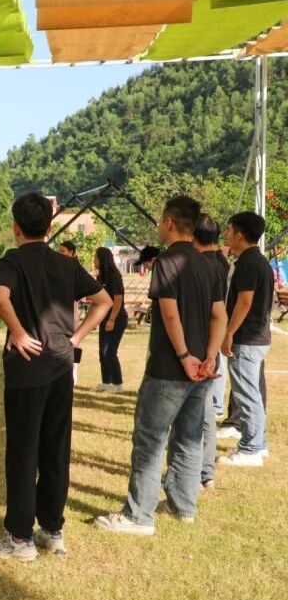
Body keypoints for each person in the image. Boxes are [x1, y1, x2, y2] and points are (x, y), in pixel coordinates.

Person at [95, 195, 226, 535]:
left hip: (170, 368)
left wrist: (184, 356)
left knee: (150, 440)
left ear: (169, 222)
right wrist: (209, 356)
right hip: (201, 370)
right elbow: (219, 315)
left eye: (159, 220)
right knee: (188, 438)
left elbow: (169, 313)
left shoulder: (168, 261)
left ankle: (139, 516)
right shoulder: (209, 264)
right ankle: (183, 506)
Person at [0, 194, 111, 561]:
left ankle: (20, 539)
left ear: (16, 228)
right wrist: (76, 338)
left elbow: (0, 299)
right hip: (61, 366)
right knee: (56, 448)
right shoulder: (66, 263)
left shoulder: (12, 260)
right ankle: (52, 530)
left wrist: (18, 331)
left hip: (26, 368)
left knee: (23, 451)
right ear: (49, 227)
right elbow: (104, 301)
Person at [217, 211, 274, 468]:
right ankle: (258, 443)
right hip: (255, 337)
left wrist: (229, 332)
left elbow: (245, 301)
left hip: (247, 338)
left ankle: (251, 449)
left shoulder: (249, 263)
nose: (226, 234)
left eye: (229, 229)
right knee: (251, 393)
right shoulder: (256, 260)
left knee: (247, 395)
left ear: (239, 235)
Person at [192, 214, 229, 489]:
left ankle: (201, 471)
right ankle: (204, 471)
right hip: (210, 347)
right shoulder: (221, 263)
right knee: (203, 412)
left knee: (199, 414)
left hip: (201, 347)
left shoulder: (201, 266)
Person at [94, 247, 128, 393]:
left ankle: (118, 384)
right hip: (104, 317)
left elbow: (118, 299)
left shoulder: (114, 276)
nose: (94, 260)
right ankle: (106, 382)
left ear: (102, 259)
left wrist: (112, 320)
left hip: (117, 317)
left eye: (95, 257)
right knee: (102, 352)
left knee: (110, 351)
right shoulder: (100, 277)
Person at [58, 241, 81, 384]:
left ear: (72, 253)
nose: (59, 254)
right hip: (58, 312)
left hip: (71, 312)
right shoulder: (56, 268)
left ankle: (74, 369)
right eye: (59, 251)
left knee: (74, 341)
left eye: (63, 251)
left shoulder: (76, 270)